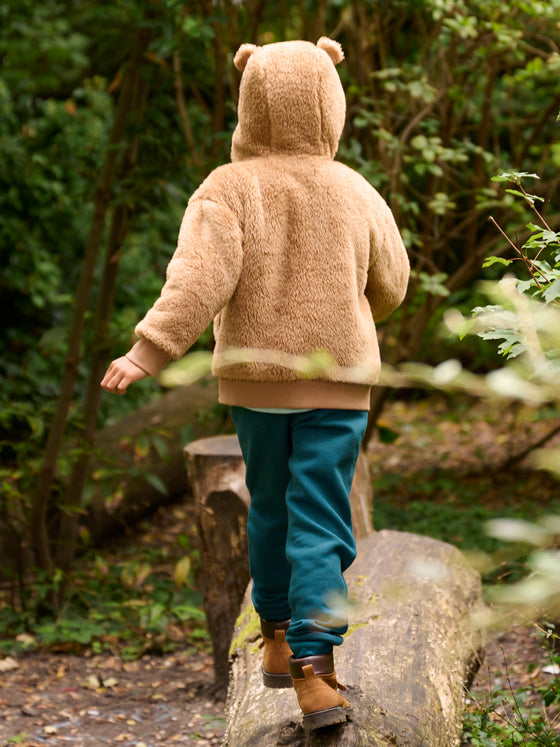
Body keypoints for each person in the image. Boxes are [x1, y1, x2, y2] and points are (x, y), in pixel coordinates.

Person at [101, 37, 409, 731]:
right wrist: (350, 309)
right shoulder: (354, 187)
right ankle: (314, 666)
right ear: (331, 100)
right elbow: (392, 283)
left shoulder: (228, 187)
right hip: (337, 380)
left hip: (253, 384)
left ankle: (275, 635)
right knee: (323, 521)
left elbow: (198, 279)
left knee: (270, 507)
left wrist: (148, 350)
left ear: (250, 101)